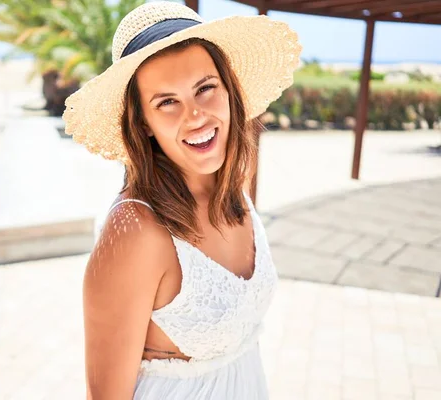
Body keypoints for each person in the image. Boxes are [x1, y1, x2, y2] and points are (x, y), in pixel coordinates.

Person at [63, 2, 302, 399]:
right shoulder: (136, 232)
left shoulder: (233, 188)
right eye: (167, 102)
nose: (195, 116)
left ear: (229, 91)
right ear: (143, 122)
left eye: (205, 89)